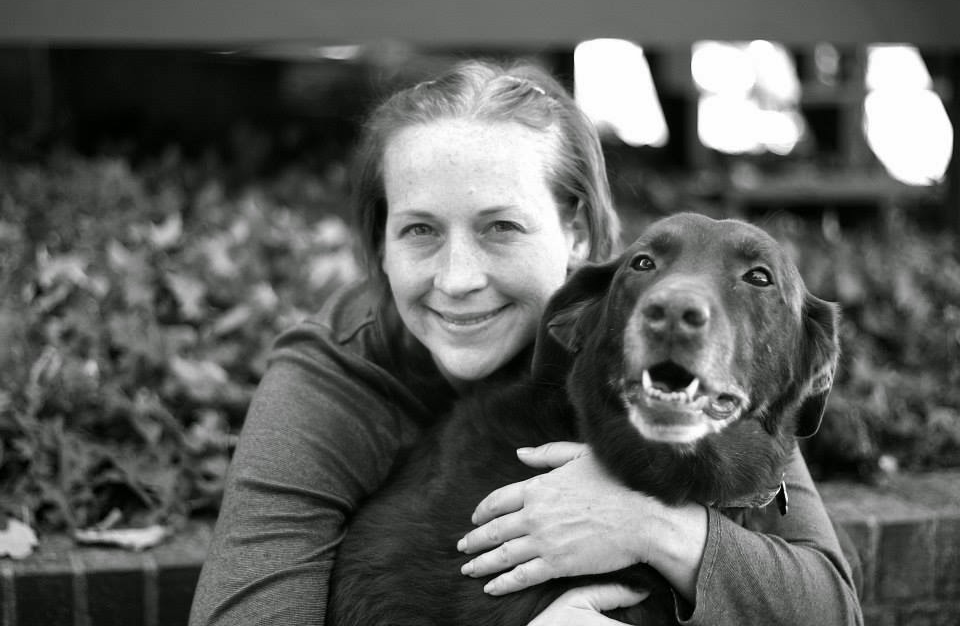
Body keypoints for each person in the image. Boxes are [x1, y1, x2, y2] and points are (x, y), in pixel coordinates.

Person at [189, 59, 862, 626]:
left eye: (501, 227)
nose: (457, 280)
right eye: (420, 230)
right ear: (382, 247)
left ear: (576, 234)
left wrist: (648, 525)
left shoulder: (649, 341)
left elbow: (829, 606)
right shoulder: (329, 378)